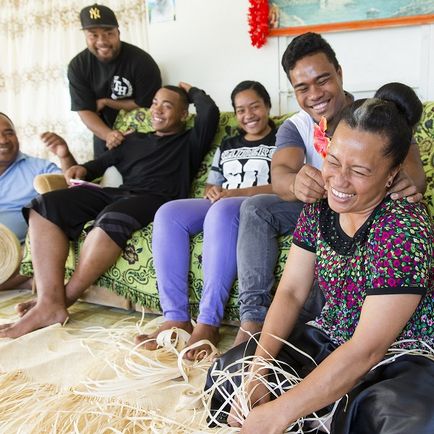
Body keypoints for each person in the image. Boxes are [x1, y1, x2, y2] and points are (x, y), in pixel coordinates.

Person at [205, 83, 434, 434]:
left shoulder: (403, 226)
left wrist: (280, 413)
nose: (339, 181)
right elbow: (292, 292)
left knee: (401, 422)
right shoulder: (320, 205)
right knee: (227, 376)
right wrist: (258, 374)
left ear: (392, 175)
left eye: (360, 171)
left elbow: (368, 349)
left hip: (398, 355)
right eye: (334, 160)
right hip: (332, 334)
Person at [233, 32, 426, 345]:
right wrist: (296, 183)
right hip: (321, 208)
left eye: (322, 80)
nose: (315, 94)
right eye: (302, 88)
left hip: (369, 215)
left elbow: (416, 178)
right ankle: (254, 320)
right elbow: (280, 173)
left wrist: (400, 182)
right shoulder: (296, 127)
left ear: (339, 73)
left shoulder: (374, 114)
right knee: (255, 207)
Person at [0, 83, 219, 338]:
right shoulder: (132, 139)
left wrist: (190, 90)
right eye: (155, 103)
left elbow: (209, 111)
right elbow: (95, 167)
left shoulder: (191, 140)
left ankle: (61, 300)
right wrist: (80, 169)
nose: (158, 110)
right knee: (45, 205)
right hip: (119, 193)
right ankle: (49, 300)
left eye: (167, 106)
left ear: (183, 114)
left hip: (159, 199)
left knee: (112, 216)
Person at [135, 81, 277, 360]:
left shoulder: (282, 139)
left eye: (255, 106)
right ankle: (176, 317)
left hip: (255, 203)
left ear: (268, 106)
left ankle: (208, 323)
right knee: (168, 213)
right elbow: (212, 185)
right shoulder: (227, 145)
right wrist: (212, 191)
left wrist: (234, 194)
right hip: (223, 200)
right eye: (240, 110)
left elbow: (285, 184)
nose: (248, 115)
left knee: (221, 211)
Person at [68, 3, 162, 157]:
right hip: (103, 133)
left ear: (118, 33)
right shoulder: (78, 66)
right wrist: (108, 135)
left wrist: (106, 102)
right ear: (86, 36)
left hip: (143, 134)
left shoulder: (141, 61)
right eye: (94, 35)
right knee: (103, 179)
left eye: (108, 33)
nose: (102, 41)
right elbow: (84, 110)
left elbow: (147, 105)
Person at [0, 113, 76, 289]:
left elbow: (71, 189)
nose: (3, 140)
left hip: (16, 249)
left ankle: (20, 280)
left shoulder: (38, 168)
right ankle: (21, 283)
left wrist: (65, 157)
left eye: (9, 132)